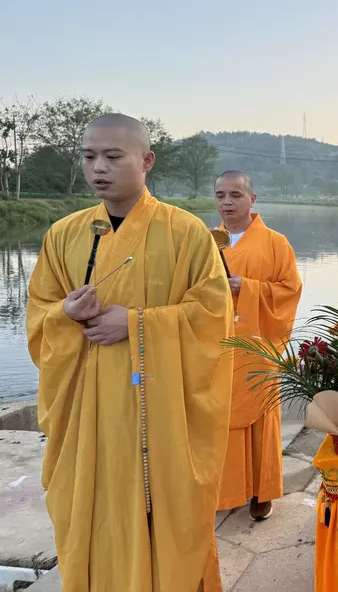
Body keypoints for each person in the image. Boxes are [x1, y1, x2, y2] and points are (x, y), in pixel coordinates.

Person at [26, 114, 233, 592]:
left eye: (113, 156)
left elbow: (214, 318)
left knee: (167, 517)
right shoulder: (64, 234)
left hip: (159, 415)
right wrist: (65, 314)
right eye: (89, 156)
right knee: (91, 516)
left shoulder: (185, 233)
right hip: (87, 417)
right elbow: (39, 314)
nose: (98, 167)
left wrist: (137, 325)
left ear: (147, 160)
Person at [214, 171, 302, 521]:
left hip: (257, 344)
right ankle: (224, 490)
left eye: (235, 195)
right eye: (220, 195)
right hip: (215, 345)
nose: (227, 202)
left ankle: (260, 492)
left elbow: (290, 291)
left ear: (252, 199)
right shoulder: (206, 242)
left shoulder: (275, 243)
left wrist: (247, 288)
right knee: (216, 417)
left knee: (260, 418)